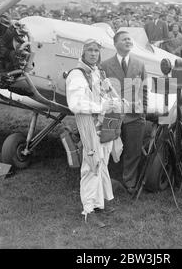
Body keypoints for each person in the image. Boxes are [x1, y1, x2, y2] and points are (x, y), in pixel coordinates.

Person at [66, 39, 122, 228]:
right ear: (82, 53)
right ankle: (88, 211)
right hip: (90, 126)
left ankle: (101, 203)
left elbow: (107, 93)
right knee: (92, 166)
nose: (93, 53)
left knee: (103, 164)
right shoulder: (77, 74)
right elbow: (75, 104)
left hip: (104, 125)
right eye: (89, 50)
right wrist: (101, 106)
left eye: (96, 50)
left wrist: (115, 101)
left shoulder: (98, 71)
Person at [101, 31, 148, 194]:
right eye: (124, 39)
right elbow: (102, 91)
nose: (128, 41)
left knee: (133, 150)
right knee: (106, 148)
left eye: (130, 38)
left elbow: (145, 89)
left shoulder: (139, 64)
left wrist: (143, 112)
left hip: (135, 116)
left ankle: (130, 182)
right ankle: (104, 181)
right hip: (112, 114)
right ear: (115, 44)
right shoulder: (105, 65)